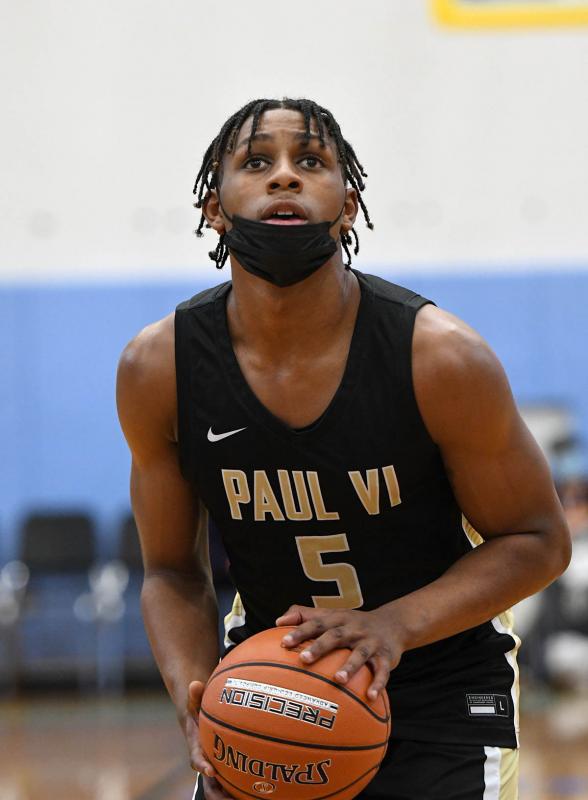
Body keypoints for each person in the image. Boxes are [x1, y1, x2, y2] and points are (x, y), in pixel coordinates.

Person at [116, 97, 571, 800]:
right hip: (275, 686)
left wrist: (391, 626)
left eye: (311, 161)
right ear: (213, 207)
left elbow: (539, 539)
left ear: (348, 205)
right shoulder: (160, 369)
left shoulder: (440, 359)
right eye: (257, 161)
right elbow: (172, 571)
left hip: (439, 688)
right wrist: (194, 693)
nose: (285, 177)